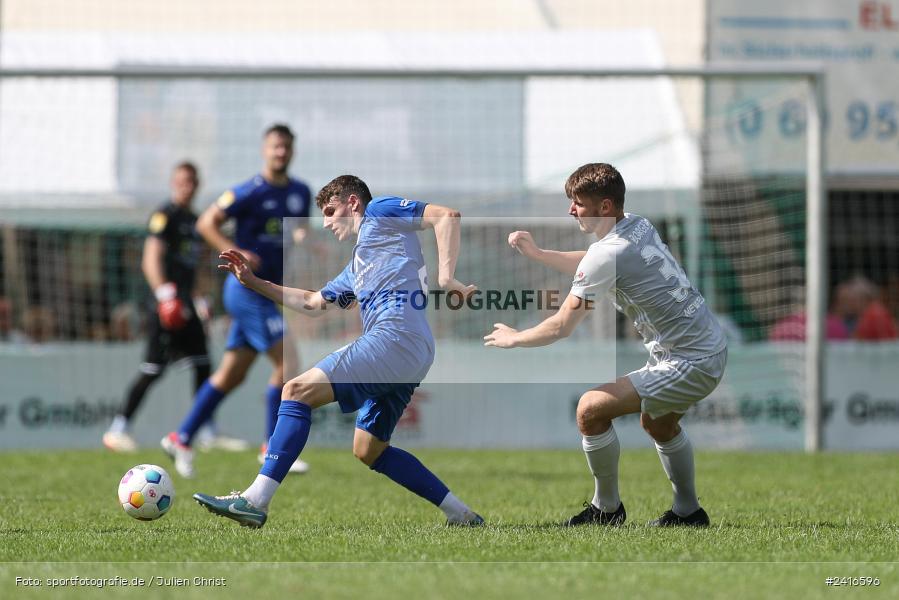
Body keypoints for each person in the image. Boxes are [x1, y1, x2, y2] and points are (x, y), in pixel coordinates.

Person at [193, 174, 483, 528]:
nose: (327, 222)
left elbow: (446, 216)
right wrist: (255, 283)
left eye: (331, 211)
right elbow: (313, 302)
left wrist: (446, 278)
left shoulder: (379, 211)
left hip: (395, 337)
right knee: (368, 448)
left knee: (295, 390)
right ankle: (461, 513)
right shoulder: (357, 267)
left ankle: (255, 500)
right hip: (414, 349)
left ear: (354, 203)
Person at [485, 163, 727, 528]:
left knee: (590, 410)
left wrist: (515, 338)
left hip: (690, 360)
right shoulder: (638, 223)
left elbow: (561, 326)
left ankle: (606, 510)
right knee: (659, 424)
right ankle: (688, 512)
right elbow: (591, 263)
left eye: (578, 203)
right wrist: (538, 254)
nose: (571, 210)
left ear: (606, 207)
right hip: (706, 346)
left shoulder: (608, 253)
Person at [161, 125, 311, 478]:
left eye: (286, 147)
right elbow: (205, 222)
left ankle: (181, 438)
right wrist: (238, 250)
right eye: (275, 147)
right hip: (245, 290)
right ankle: (271, 447)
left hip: (268, 290)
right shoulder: (248, 192)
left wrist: (306, 237)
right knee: (288, 361)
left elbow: (298, 228)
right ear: (265, 149)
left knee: (232, 375)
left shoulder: (301, 192)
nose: (281, 153)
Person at [104, 162, 245, 452]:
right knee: (153, 369)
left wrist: (199, 298)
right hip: (166, 305)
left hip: (187, 303)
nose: (186, 186)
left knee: (203, 365)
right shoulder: (164, 215)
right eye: (181, 181)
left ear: (197, 184)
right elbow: (150, 258)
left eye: (191, 181)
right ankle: (117, 429)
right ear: (173, 183)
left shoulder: (194, 221)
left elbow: (192, 269)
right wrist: (165, 295)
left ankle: (206, 430)